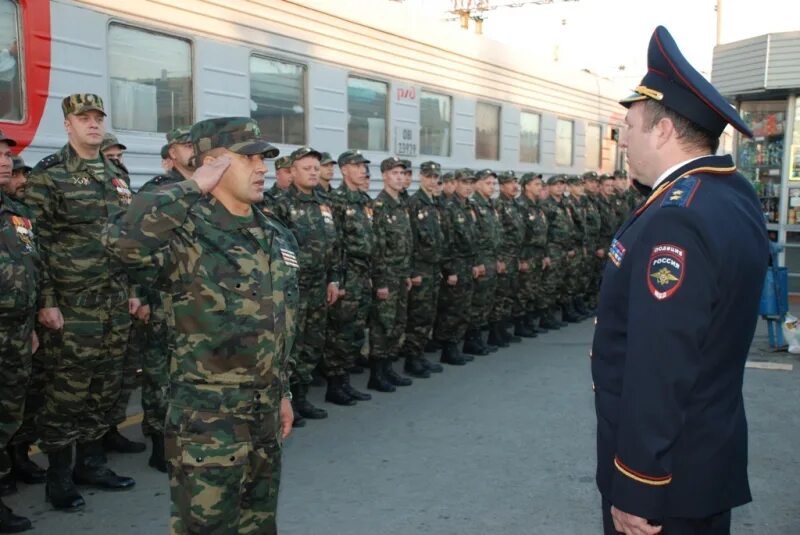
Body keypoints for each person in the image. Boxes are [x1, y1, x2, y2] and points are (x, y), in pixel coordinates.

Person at [592, 26, 768, 535]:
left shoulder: (676, 217)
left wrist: (638, 484)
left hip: (666, 482)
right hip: (703, 463)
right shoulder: (730, 193)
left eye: (630, 125)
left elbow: (661, 362)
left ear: (663, 131)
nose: (622, 139)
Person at [108, 117, 296, 535]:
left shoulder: (275, 234)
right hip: (209, 422)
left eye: (263, 157)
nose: (262, 166)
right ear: (212, 164)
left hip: (264, 412)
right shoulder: (186, 231)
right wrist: (193, 185)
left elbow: (280, 324)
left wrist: (283, 391)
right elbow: (120, 241)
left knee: (260, 526)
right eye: (247, 158)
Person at [26, 94, 138, 511]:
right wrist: (46, 302)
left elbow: (126, 239)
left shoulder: (117, 175)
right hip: (72, 305)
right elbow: (34, 244)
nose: (92, 124)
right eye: (83, 118)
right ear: (67, 125)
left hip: (113, 301)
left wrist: (132, 292)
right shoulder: (50, 176)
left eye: (97, 118)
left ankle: (91, 463)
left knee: (105, 387)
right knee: (66, 391)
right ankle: (58, 477)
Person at [125, 125, 201, 472]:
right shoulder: (158, 192)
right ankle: (159, 441)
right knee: (159, 373)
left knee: (193, 370)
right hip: (163, 298)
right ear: (171, 154)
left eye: (194, 144)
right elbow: (136, 248)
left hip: (200, 300)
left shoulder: (209, 190)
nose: (191, 150)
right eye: (184, 145)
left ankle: (190, 435)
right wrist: (140, 295)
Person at [271, 147, 339, 421]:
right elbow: (277, 249)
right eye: (306, 168)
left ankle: (302, 398)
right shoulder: (280, 203)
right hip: (294, 287)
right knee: (292, 345)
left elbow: (333, 243)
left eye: (315, 168)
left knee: (313, 342)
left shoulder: (324, 202)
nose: (313, 172)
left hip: (320, 285)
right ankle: (286, 403)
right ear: (292, 171)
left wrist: (334, 277)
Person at [0, 130, 38, 532]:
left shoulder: (16, 210)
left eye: (7, 153)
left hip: (16, 330)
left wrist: (32, 319)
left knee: (8, 414)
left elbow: (32, 266)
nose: (6, 159)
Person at [323, 150, 374, 403]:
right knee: (340, 332)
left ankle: (345, 381)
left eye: (364, 166)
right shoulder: (337, 200)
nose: (362, 170)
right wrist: (337, 280)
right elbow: (335, 244)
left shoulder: (363, 199)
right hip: (347, 274)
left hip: (362, 274)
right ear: (344, 170)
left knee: (355, 330)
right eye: (357, 166)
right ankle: (335, 384)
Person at [367, 157, 414, 391]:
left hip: (400, 275)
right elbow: (377, 249)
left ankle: (388, 368)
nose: (399, 177)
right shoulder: (380, 206)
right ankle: (376, 374)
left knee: (397, 324)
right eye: (394, 173)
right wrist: (381, 281)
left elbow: (405, 244)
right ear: (384, 175)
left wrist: (406, 273)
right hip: (386, 277)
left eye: (402, 173)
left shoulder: (401, 205)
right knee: (382, 325)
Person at [400, 160, 445, 375]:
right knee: (417, 316)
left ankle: (420, 354)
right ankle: (412, 359)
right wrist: (412, 271)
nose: (432, 180)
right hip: (420, 268)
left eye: (435, 177)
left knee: (428, 315)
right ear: (421, 177)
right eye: (428, 176)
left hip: (433, 268)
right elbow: (410, 240)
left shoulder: (434, 203)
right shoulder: (414, 203)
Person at [433, 169, 479, 366]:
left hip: (468, 262)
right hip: (456, 264)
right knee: (452, 308)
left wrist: (475, 262)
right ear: (456, 183)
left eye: (471, 183)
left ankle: (456, 345)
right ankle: (448, 349)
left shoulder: (469, 206)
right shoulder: (449, 207)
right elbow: (446, 242)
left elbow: (474, 237)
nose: (468, 186)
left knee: (464, 307)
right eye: (464, 182)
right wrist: (450, 270)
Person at [466, 169, 501, 355]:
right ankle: (472, 340)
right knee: (478, 301)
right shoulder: (474, 206)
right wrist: (478, 261)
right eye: (488, 183)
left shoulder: (490, 205)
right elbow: (474, 237)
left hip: (491, 258)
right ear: (478, 183)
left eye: (494, 184)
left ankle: (479, 337)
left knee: (487, 300)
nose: (492, 187)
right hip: (482, 259)